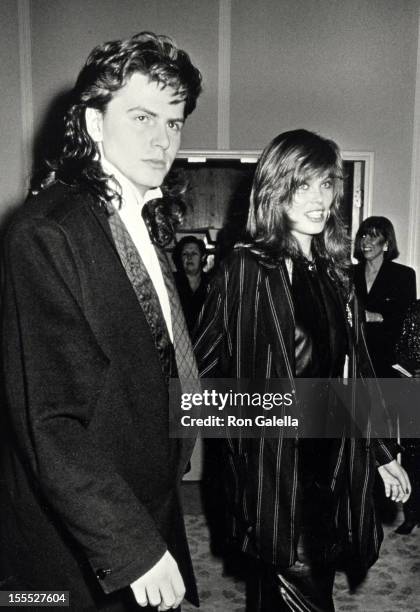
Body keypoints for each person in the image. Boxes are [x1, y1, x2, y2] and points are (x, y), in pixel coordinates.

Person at [0, 32, 202, 611]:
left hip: (149, 502)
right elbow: (50, 420)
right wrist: (133, 546)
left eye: (174, 122)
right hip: (74, 546)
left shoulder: (144, 224)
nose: (162, 139)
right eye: (142, 117)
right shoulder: (45, 231)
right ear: (93, 123)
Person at [194, 129, 411, 611]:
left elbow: (350, 379)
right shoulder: (246, 269)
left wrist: (382, 454)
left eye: (326, 184)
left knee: (302, 593)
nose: (318, 198)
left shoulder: (336, 275)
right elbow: (201, 371)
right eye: (302, 185)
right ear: (275, 190)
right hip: (277, 475)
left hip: (331, 470)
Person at [353, 216, 416, 377]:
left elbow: (406, 320)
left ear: (386, 243)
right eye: (363, 236)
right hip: (355, 359)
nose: (365, 241)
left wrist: (377, 316)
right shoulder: (349, 274)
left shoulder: (404, 275)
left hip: (388, 362)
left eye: (373, 236)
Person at [394, 300, 420, 534]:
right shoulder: (415, 309)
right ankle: (411, 515)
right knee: (412, 457)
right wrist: (410, 372)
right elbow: (402, 351)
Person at [173, 236, 209, 333]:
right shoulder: (171, 282)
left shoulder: (212, 283)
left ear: (203, 257)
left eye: (194, 253)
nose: (189, 257)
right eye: (185, 254)